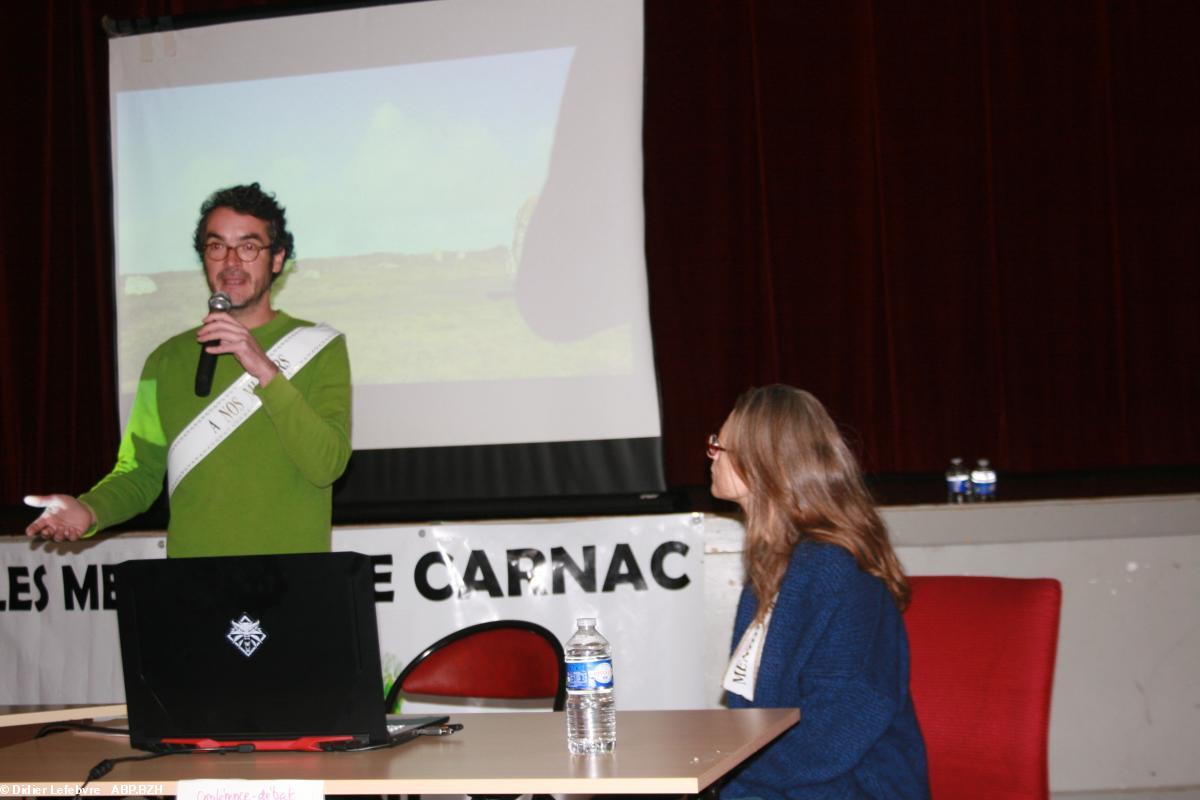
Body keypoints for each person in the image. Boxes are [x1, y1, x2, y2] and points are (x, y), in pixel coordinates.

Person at [25, 183, 351, 557]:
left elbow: (327, 464)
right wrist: (89, 509)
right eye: (216, 247)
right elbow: (140, 474)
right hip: (193, 585)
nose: (231, 262)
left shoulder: (321, 347)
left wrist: (264, 369)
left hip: (292, 583)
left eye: (248, 247)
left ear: (276, 259)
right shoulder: (164, 360)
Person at [710, 385, 929, 799]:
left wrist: (721, 772)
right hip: (789, 785)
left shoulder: (834, 570)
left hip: (850, 789)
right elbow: (756, 715)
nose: (712, 456)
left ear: (761, 463)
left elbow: (832, 737)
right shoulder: (773, 567)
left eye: (719, 445)